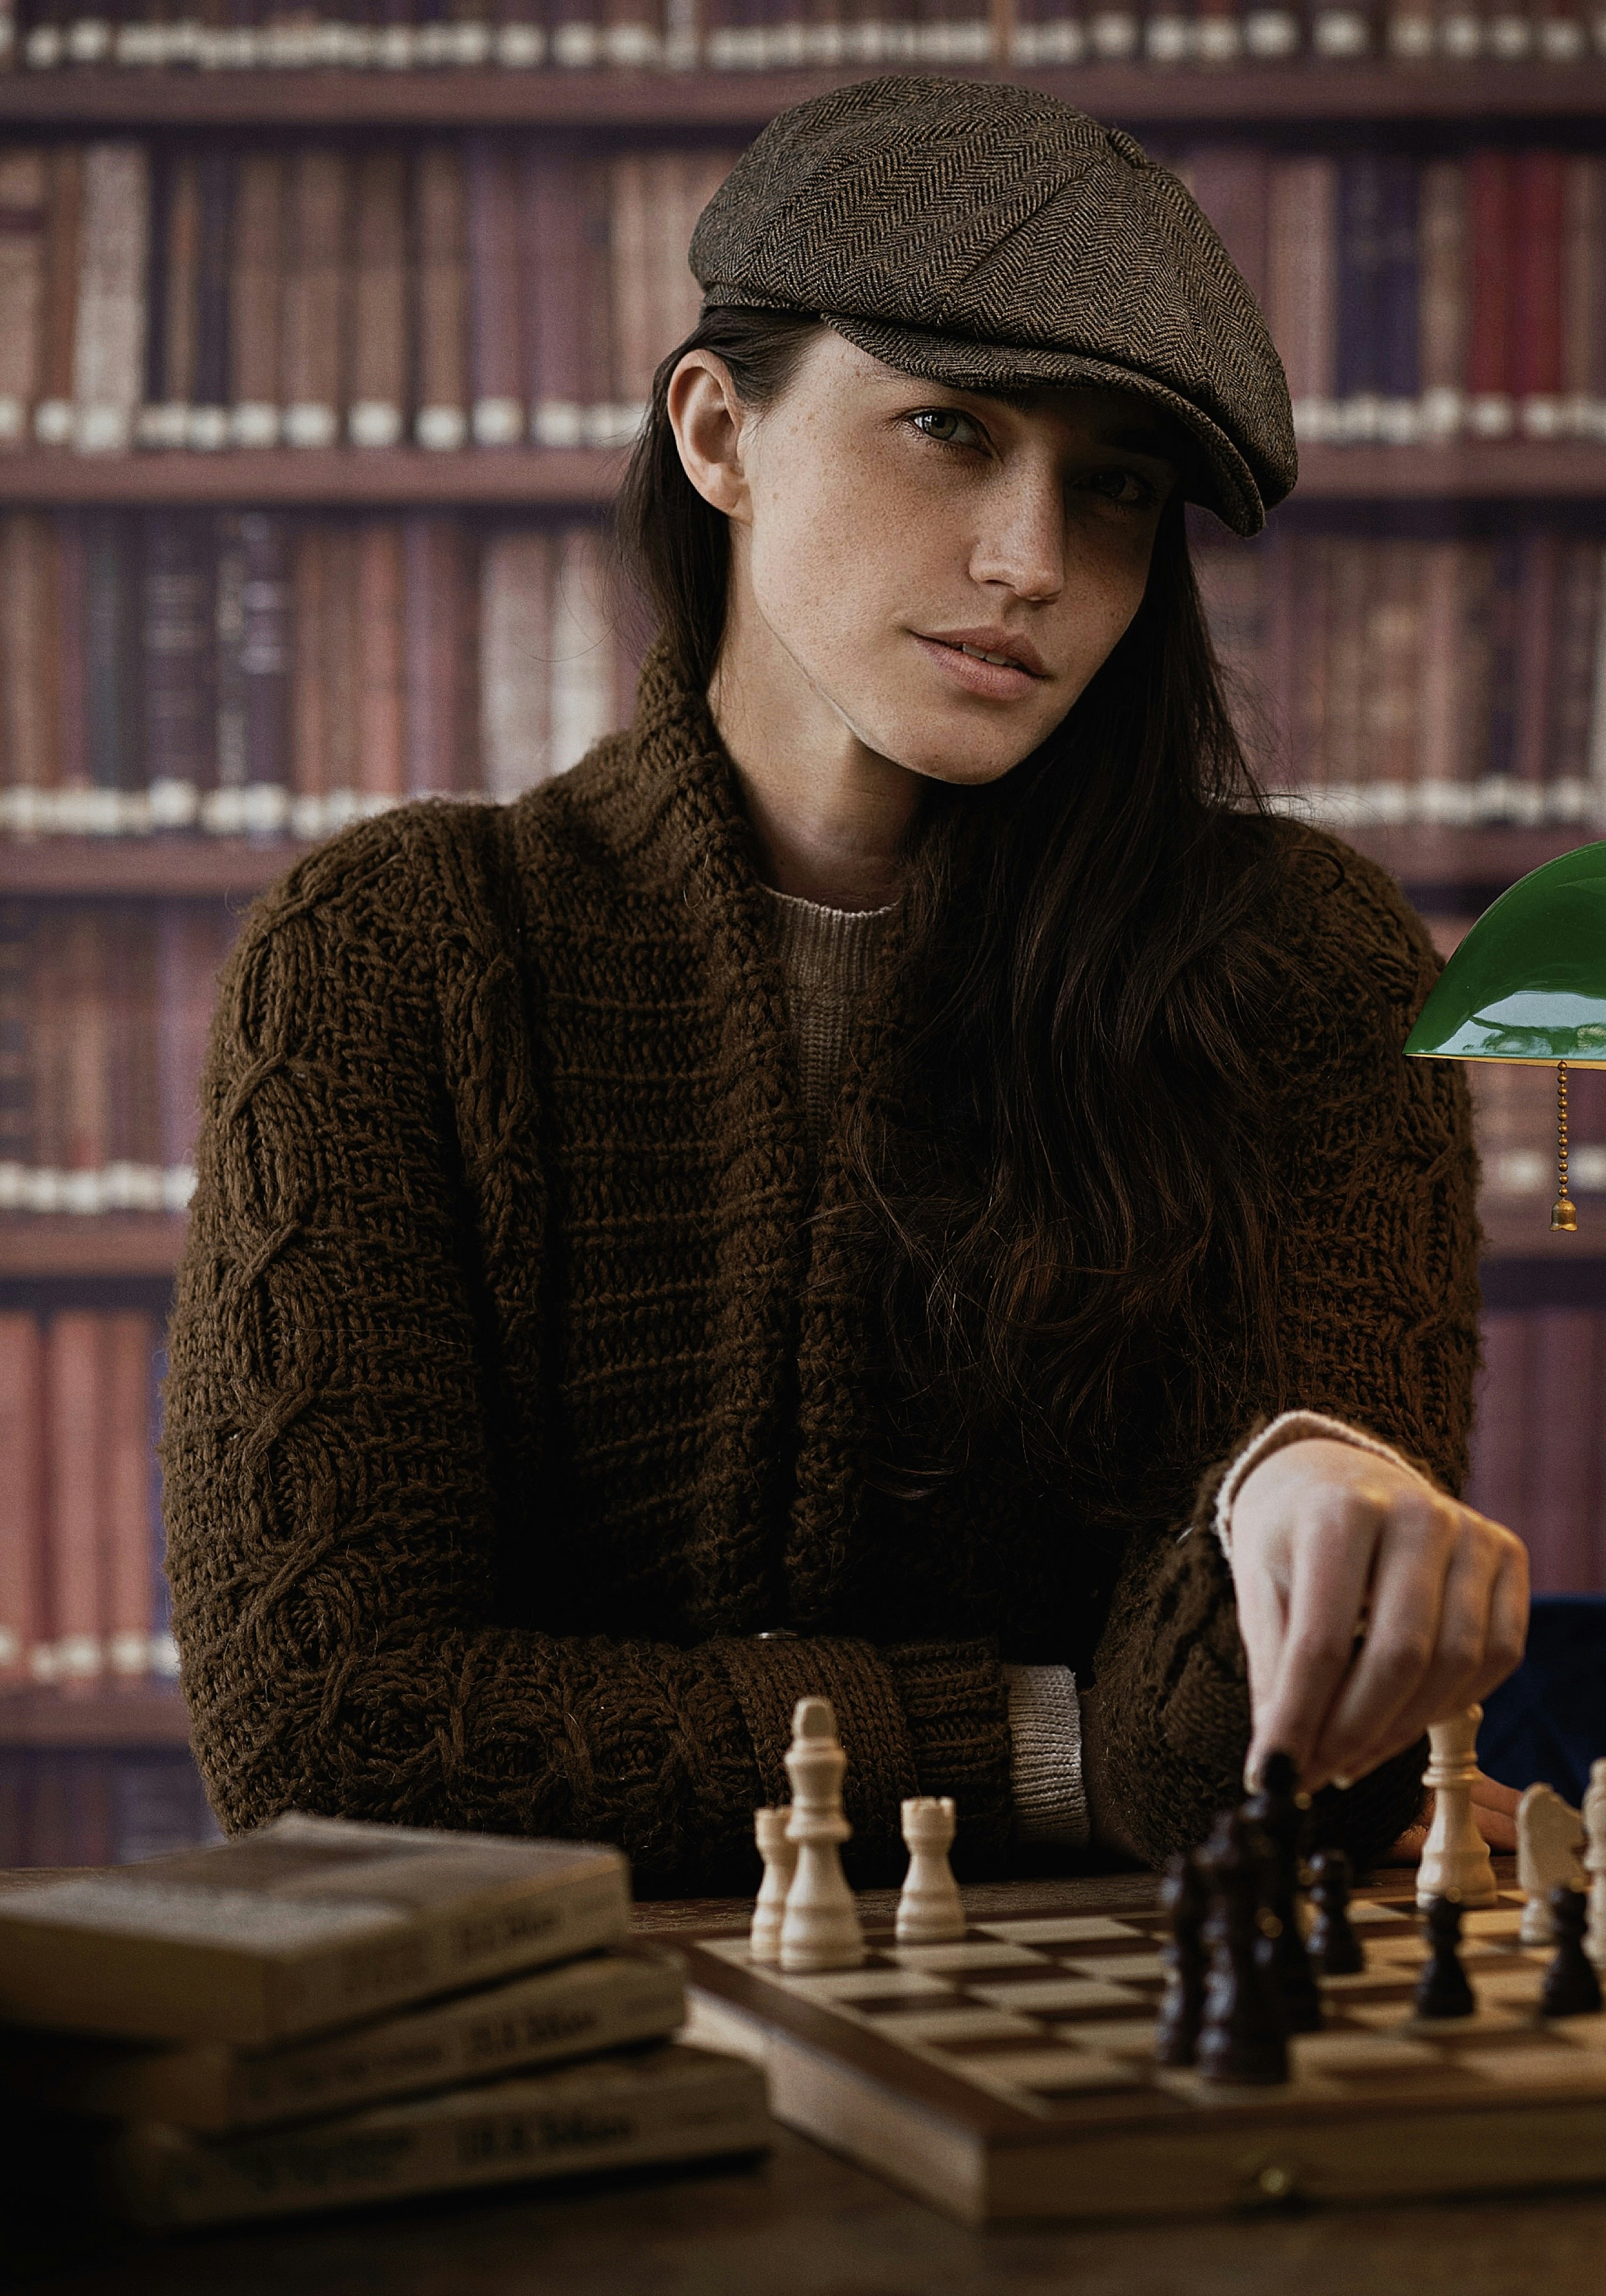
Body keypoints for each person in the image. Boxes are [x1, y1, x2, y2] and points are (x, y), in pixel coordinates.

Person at [162, 75, 1528, 1894]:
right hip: (556, 2075)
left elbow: (1246, 1762)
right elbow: (334, 1736)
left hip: (1109, 2090)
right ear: (720, 432)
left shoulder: (1306, 975)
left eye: (1113, 487)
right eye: (950, 429)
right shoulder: (391, 958)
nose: (1033, 562)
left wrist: (1285, 1489)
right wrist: (1042, 1740)